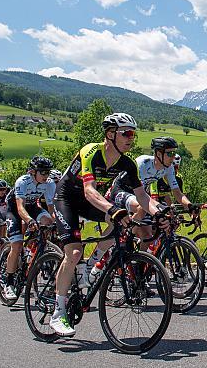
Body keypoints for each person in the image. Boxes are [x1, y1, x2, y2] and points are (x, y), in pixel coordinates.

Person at [49, 113, 153, 337]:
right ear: (110, 133)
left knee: (125, 219)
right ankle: (58, 312)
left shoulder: (127, 162)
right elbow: (89, 190)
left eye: (133, 134)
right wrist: (112, 209)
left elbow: (143, 197)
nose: (131, 138)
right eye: (127, 133)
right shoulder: (91, 151)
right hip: (67, 198)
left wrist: (160, 213)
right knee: (75, 252)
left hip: (91, 202)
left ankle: (93, 262)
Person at [3, 158, 56, 301]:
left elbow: (51, 208)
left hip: (32, 207)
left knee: (48, 222)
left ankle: (37, 250)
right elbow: (20, 208)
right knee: (17, 244)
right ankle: (8, 282)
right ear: (33, 172)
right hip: (14, 210)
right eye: (43, 172)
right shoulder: (23, 181)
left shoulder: (49, 183)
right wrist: (29, 221)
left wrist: (56, 222)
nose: (47, 175)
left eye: (48, 172)